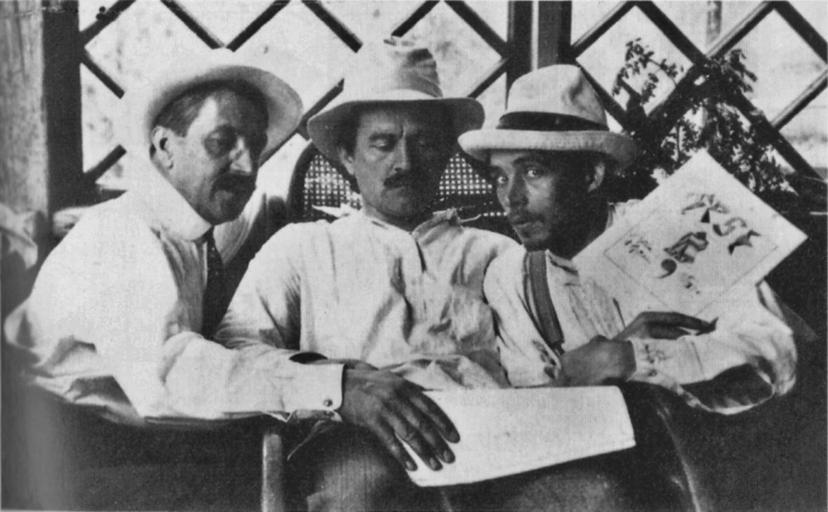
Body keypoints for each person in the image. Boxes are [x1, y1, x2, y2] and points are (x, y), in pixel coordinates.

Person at [215, 38, 526, 510]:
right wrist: (337, 385)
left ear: (446, 153)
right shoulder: (303, 247)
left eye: (425, 143)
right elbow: (233, 352)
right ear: (347, 156)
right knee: (359, 487)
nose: (405, 162)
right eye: (383, 143)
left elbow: (546, 361)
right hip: (358, 444)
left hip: (495, 444)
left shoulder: (496, 254)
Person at [4, 48, 324, 426]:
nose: (247, 166)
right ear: (165, 147)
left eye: (255, 146)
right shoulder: (122, 237)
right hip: (55, 430)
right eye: (221, 142)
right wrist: (323, 386)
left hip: (120, 429)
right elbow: (172, 376)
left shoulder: (194, 231)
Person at [459, 64, 796, 413]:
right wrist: (605, 360)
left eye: (533, 171)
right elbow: (537, 414)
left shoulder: (674, 229)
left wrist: (631, 357)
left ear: (591, 175)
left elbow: (776, 355)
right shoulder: (511, 278)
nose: (511, 197)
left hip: (715, 442)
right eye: (500, 178)